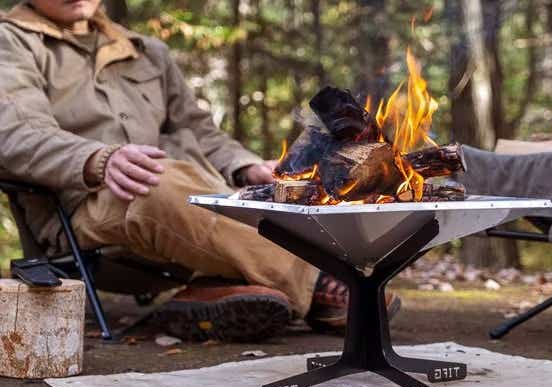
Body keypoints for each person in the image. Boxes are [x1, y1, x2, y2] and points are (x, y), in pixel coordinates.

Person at [0, 0, 399, 342]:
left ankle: (212, 293)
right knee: (158, 181)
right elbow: (16, 134)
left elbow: (198, 131)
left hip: (192, 192)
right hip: (87, 209)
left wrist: (244, 166)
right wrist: (97, 160)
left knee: (279, 183)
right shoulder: (12, 43)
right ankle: (329, 281)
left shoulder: (145, 51)